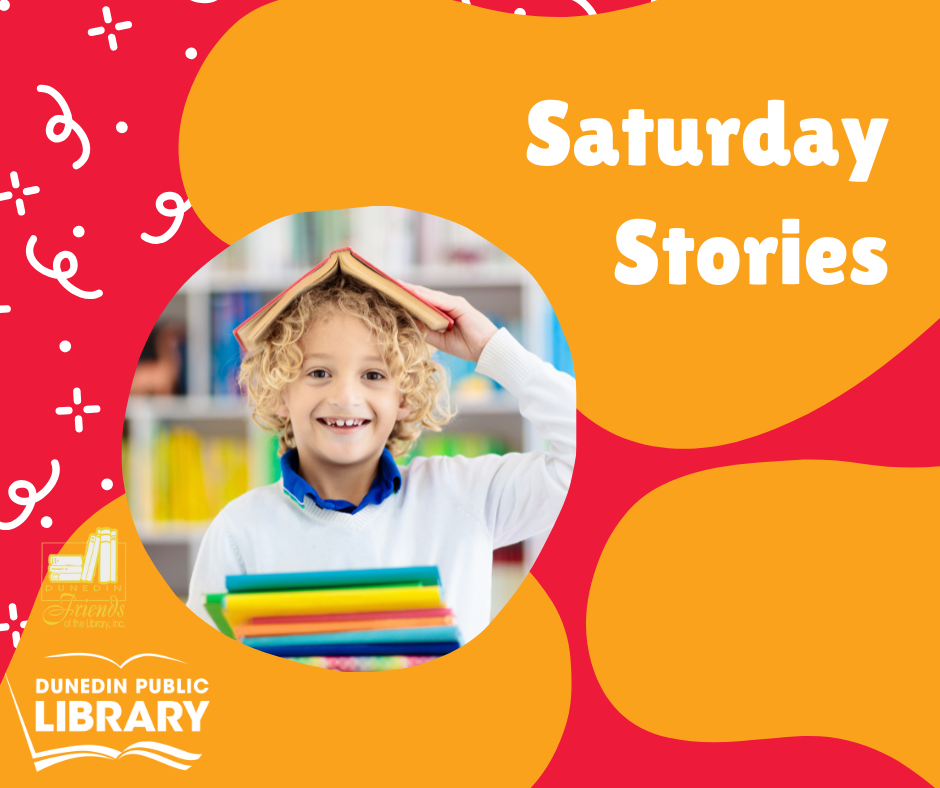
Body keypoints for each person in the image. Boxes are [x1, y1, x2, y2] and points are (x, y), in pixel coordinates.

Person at [186, 271, 575, 643]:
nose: (346, 397)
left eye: (373, 375)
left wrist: (492, 349)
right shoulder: (239, 530)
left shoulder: (464, 495)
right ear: (279, 392)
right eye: (319, 372)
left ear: (404, 397)